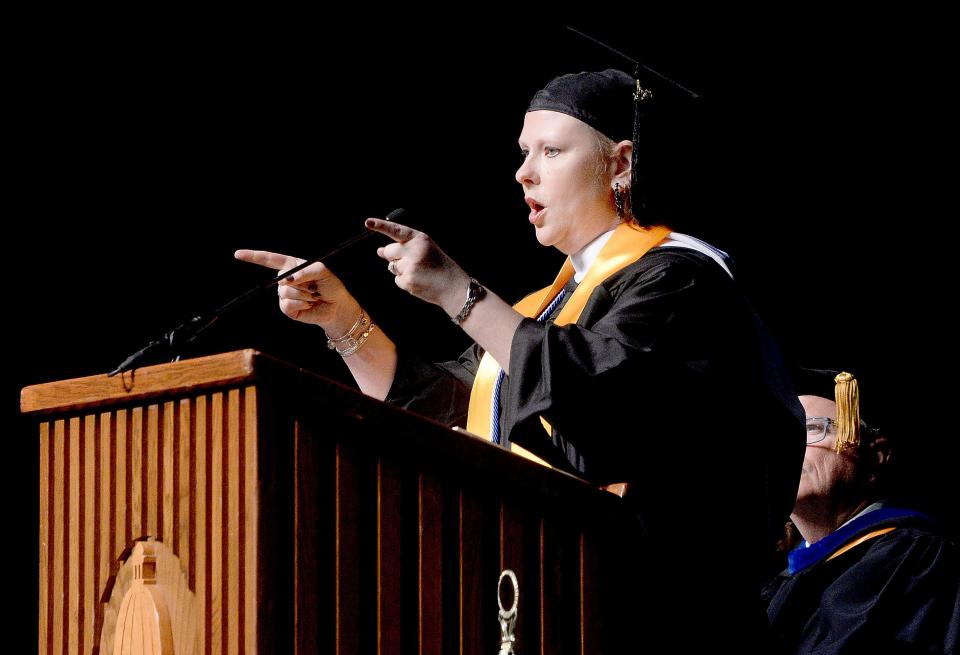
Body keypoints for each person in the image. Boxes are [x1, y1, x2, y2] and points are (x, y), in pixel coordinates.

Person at [237, 68, 804, 645]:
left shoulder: (682, 281)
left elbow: (598, 396)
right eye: (523, 152)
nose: (523, 172)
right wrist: (341, 320)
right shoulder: (549, 305)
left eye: (551, 150)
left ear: (621, 164)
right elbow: (451, 409)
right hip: (550, 599)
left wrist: (460, 294)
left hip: (662, 615)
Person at [763, 369, 960, 653]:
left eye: (811, 429)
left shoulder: (913, 558)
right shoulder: (782, 580)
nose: (788, 449)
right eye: (781, 437)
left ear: (876, 458)